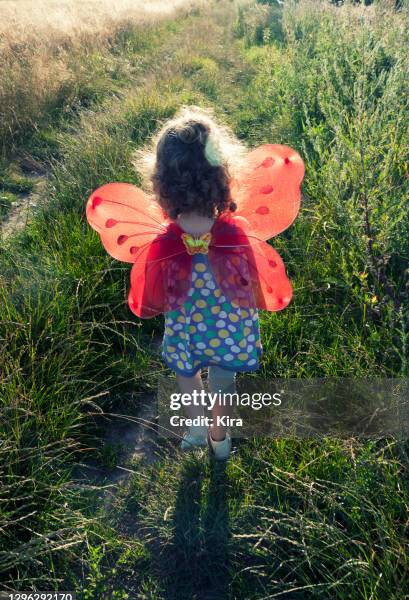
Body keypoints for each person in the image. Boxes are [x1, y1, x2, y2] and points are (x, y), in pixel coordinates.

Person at [86, 105, 304, 461]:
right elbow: (251, 281)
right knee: (223, 380)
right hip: (229, 327)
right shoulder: (235, 234)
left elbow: (154, 288)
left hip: (187, 327)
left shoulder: (164, 241)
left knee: (188, 373)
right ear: (222, 175)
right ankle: (220, 440)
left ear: (161, 183)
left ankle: (197, 428)